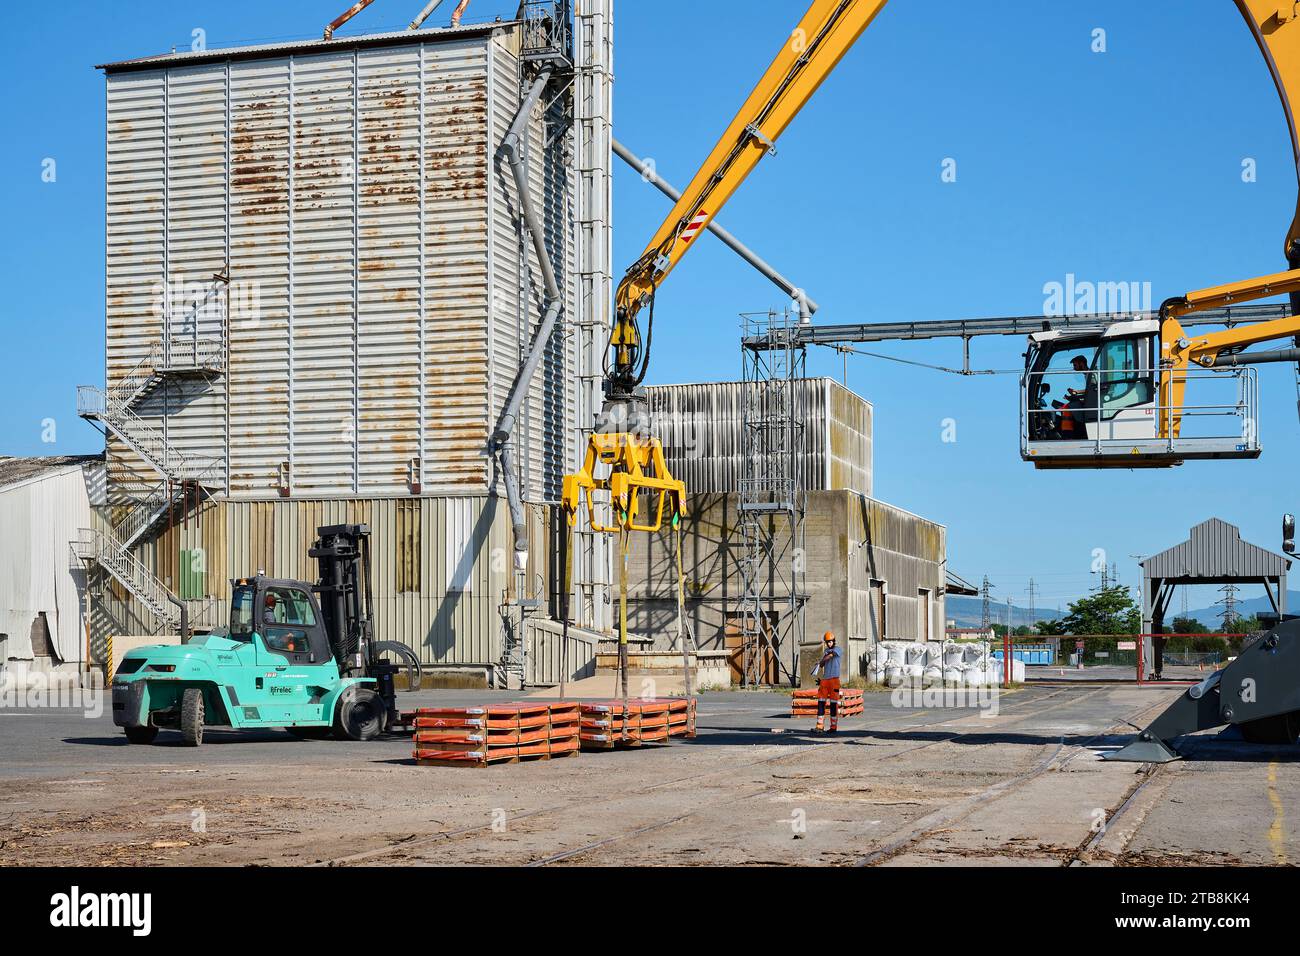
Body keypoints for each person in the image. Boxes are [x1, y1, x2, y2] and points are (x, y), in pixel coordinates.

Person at [812, 631, 842, 734]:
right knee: (821, 702)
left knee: (833, 704)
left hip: (834, 680)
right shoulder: (825, 651)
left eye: (830, 641)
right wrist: (818, 664)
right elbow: (822, 665)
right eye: (827, 642)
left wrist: (822, 660)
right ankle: (819, 726)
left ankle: (833, 727)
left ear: (834, 641)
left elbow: (830, 656)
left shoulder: (838, 649)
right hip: (825, 680)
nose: (829, 643)